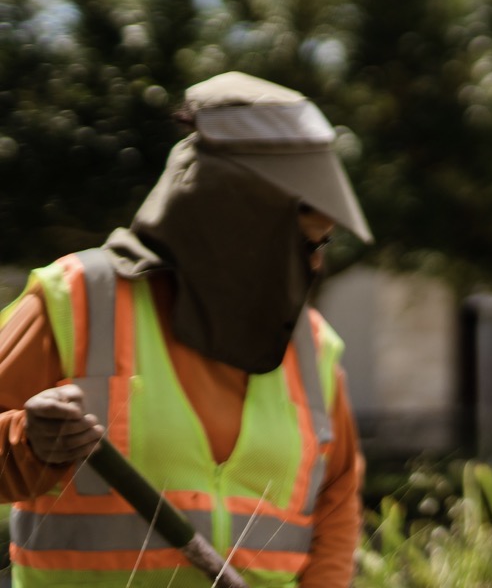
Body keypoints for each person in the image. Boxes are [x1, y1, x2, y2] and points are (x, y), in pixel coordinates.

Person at [0, 72, 373, 587]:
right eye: (305, 245)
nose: (314, 268)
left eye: (322, 246)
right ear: (237, 227)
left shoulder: (313, 347)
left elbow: (335, 500)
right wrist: (27, 443)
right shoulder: (77, 299)